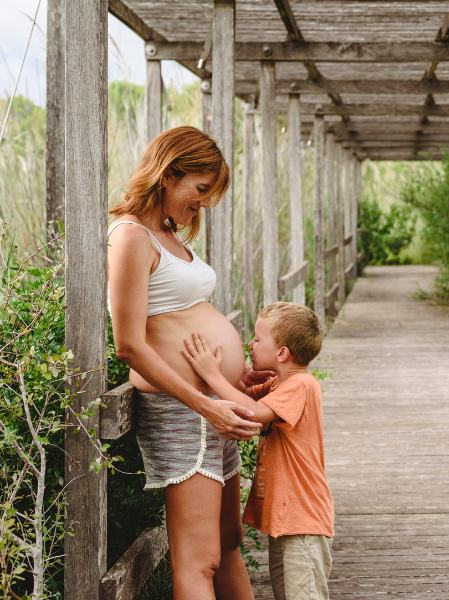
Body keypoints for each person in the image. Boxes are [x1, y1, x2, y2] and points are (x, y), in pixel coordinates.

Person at [107, 126, 265, 600]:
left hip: (214, 404)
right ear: (168, 173)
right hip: (186, 411)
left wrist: (235, 381)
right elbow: (129, 346)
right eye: (199, 191)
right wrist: (206, 404)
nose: (202, 206)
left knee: (231, 541)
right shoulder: (130, 236)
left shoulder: (168, 232)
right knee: (199, 562)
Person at [182, 302, 336, 600]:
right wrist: (234, 376)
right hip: (289, 522)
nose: (249, 344)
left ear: (282, 353)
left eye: (256, 338)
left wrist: (212, 374)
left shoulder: (301, 385)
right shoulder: (280, 383)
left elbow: (251, 413)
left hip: (302, 524)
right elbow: (242, 398)